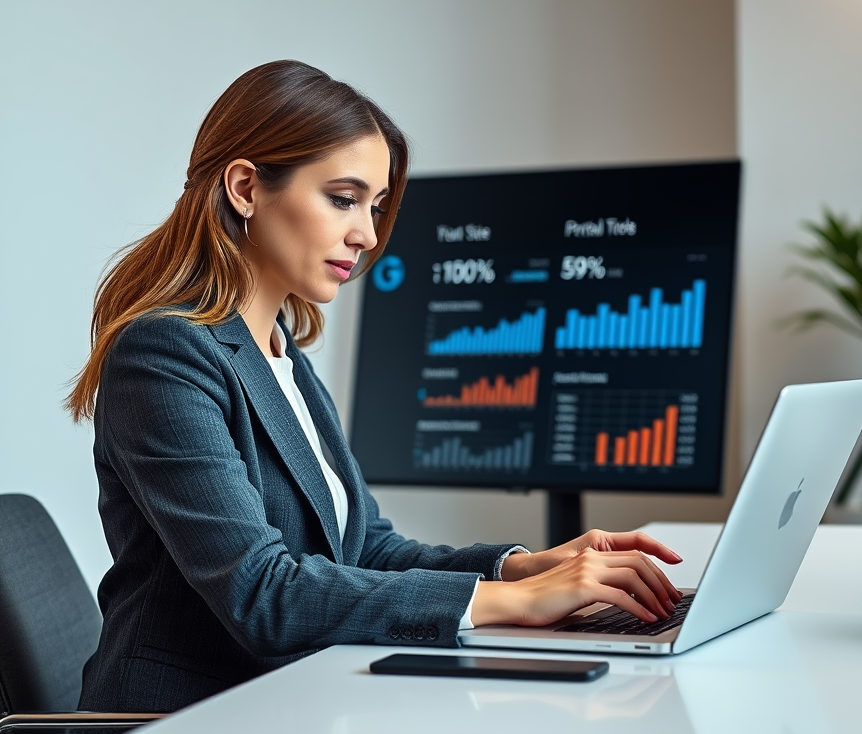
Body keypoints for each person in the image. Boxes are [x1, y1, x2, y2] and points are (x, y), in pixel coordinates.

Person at [67, 60, 683, 713]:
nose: (366, 234)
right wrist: (511, 605)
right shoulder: (163, 354)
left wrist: (519, 568)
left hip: (291, 697)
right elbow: (261, 594)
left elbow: (365, 547)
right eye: (343, 198)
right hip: (189, 713)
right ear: (246, 187)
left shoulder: (279, 351)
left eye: (377, 206)